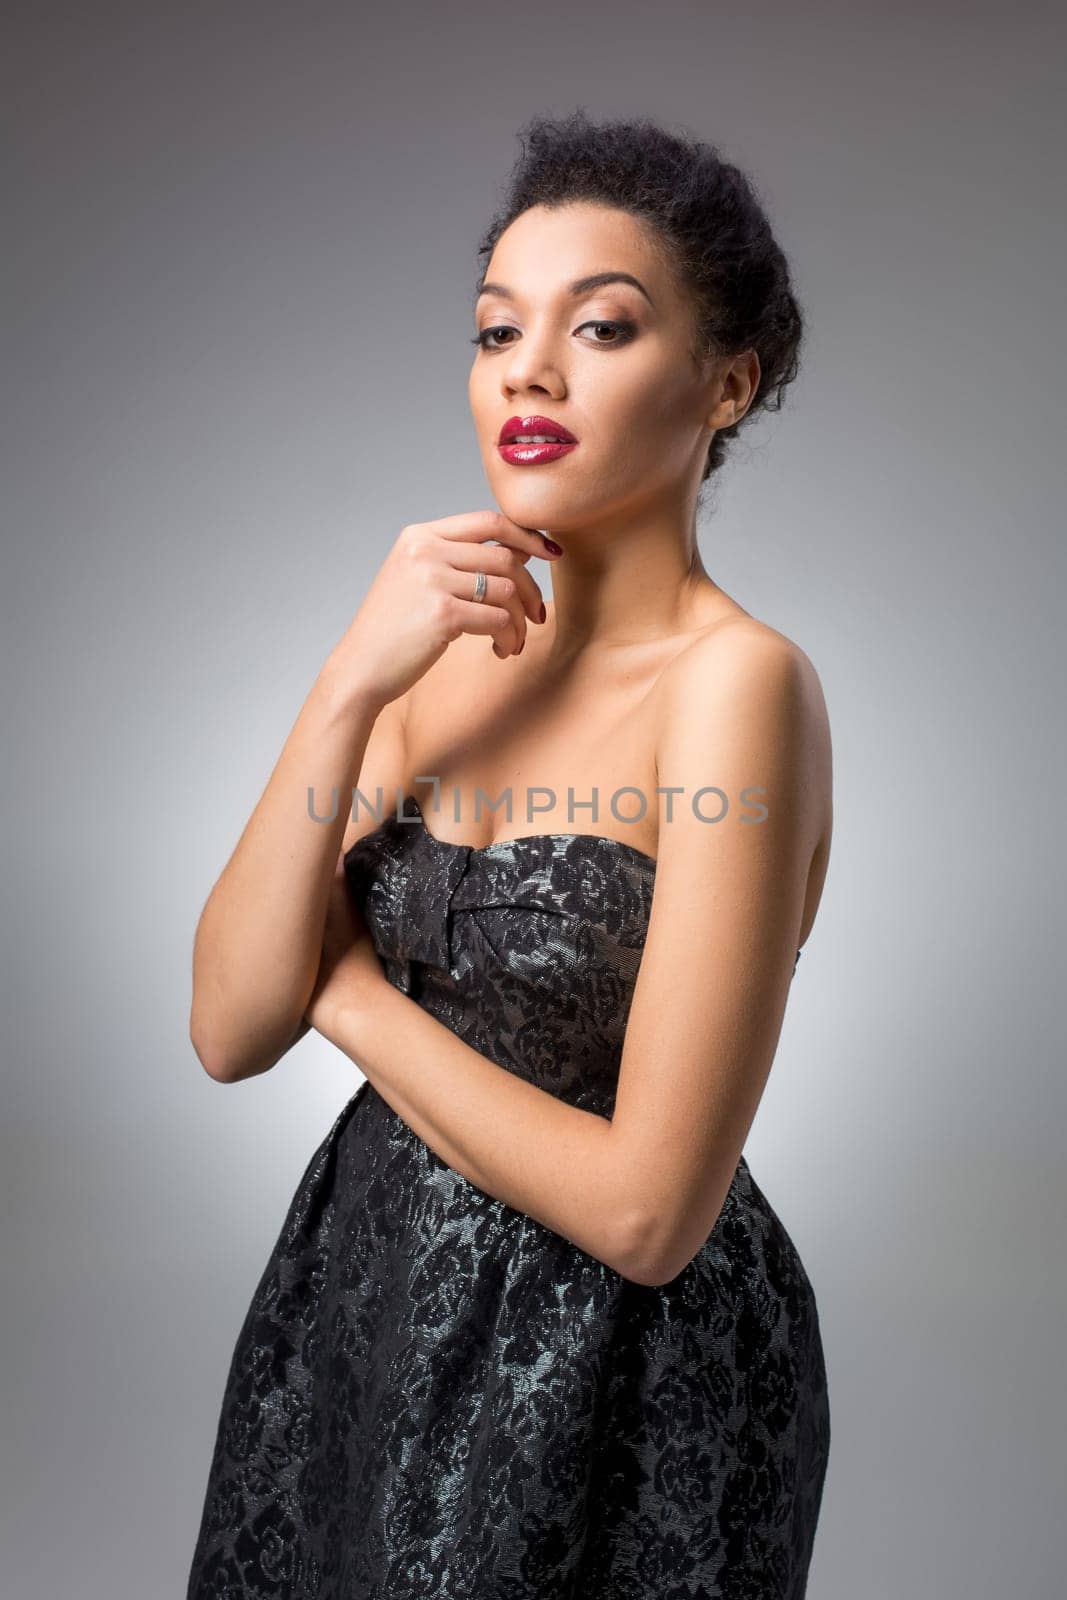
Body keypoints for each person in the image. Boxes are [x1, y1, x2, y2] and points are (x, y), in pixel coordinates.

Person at [186, 109, 832, 1599]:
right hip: (367, 1303)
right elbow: (225, 1026)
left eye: (601, 327)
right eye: (496, 332)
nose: (529, 370)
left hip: (618, 1371)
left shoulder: (741, 689)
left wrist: (344, 999)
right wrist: (347, 683)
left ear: (726, 385)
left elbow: (651, 1216)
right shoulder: (429, 654)